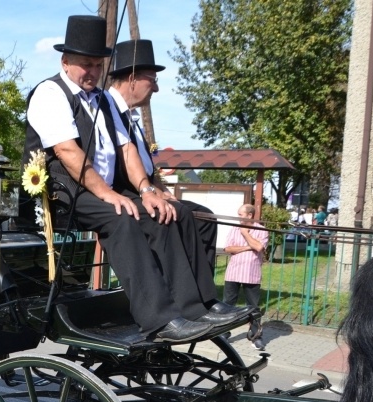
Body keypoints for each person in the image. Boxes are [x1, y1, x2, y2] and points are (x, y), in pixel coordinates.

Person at [24, 15, 250, 342]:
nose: (92, 72)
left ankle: (196, 307)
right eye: (84, 64)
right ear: (65, 61)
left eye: (97, 65)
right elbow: (67, 152)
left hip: (101, 191)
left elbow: (127, 148)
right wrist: (109, 194)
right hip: (64, 193)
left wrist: (146, 190)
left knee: (164, 213)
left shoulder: (102, 101)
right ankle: (159, 321)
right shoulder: (50, 92)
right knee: (121, 218)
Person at [107, 38, 218, 269]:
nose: (156, 88)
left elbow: (147, 169)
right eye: (152, 80)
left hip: (144, 189)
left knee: (205, 218)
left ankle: (203, 294)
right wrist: (150, 192)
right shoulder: (108, 108)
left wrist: (164, 191)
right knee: (172, 215)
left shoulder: (132, 117)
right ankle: (182, 296)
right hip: (123, 192)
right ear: (132, 78)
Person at [222, 204, 268, 350]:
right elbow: (228, 248)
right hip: (233, 272)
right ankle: (223, 333)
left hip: (251, 273)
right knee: (228, 304)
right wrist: (249, 247)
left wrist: (246, 234)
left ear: (249, 215)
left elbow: (259, 247)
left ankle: (255, 336)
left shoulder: (261, 230)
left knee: (253, 307)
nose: (238, 216)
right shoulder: (234, 227)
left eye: (241, 214)